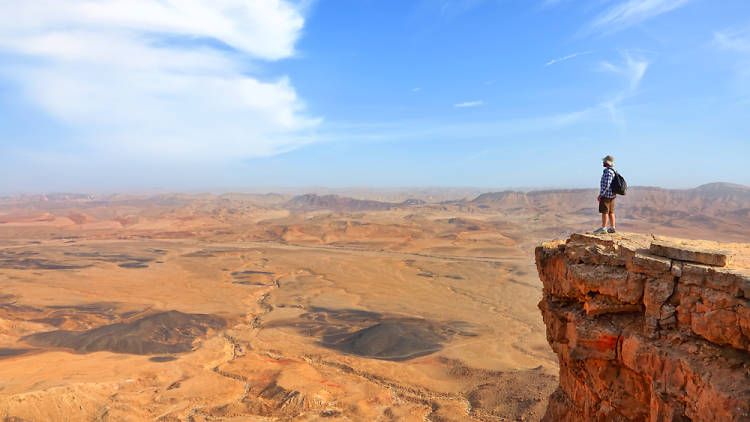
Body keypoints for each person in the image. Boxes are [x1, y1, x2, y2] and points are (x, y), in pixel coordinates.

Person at [593, 155, 616, 234]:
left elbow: (607, 185)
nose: (603, 162)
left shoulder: (608, 171)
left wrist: (601, 195)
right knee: (611, 212)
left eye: (604, 161)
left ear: (606, 162)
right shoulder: (613, 171)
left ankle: (604, 228)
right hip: (612, 195)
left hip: (606, 195)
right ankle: (612, 228)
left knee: (605, 212)